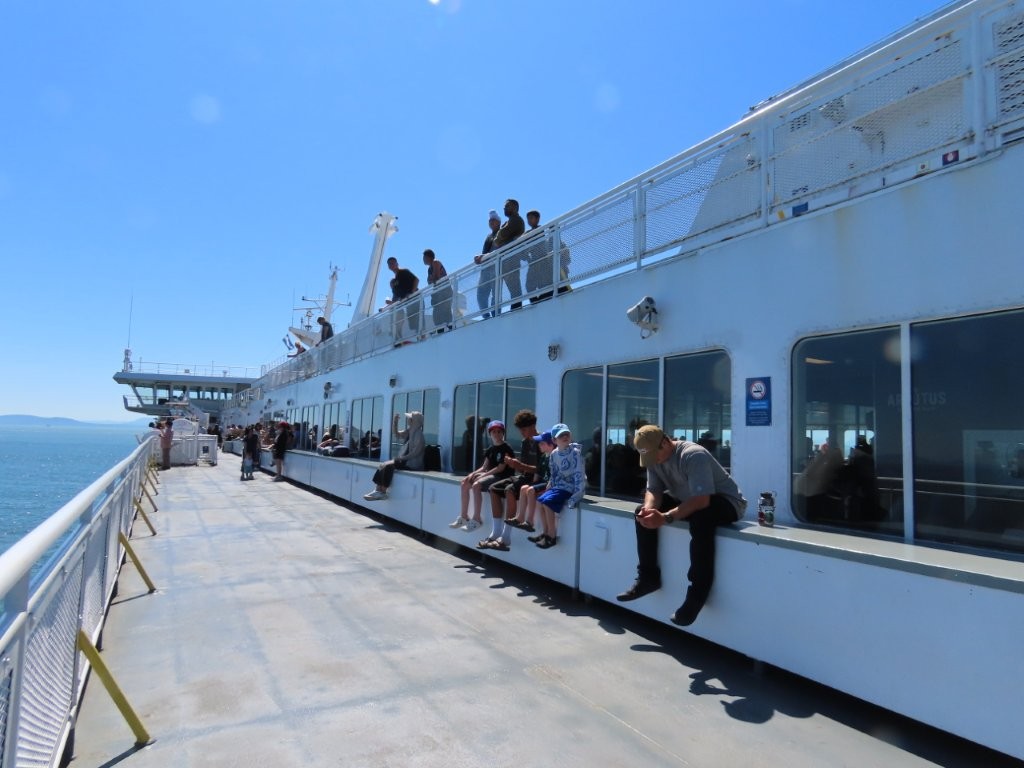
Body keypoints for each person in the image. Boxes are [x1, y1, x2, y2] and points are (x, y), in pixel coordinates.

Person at [617, 425, 747, 627]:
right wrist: (650, 510)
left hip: (726, 502)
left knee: (702, 518)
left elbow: (702, 500)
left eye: (655, 455)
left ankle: (698, 593)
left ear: (665, 442)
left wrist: (666, 517)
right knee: (640, 512)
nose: (655, 461)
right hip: (689, 498)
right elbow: (654, 490)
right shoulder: (654, 457)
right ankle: (648, 577)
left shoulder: (693, 455)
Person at [479, 410, 541, 551]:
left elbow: (540, 469)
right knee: (493, 489)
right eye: (520, 430)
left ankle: (505, 538)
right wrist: (515, 464)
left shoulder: (542, 442)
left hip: (536, 479)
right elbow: (524, 468)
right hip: (525, 476)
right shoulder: (525, 442)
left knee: (509, 491)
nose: (522, 433)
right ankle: (496, 532)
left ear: (533, 426)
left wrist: (518, 465)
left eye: (524, 430)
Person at [450, 420, 514, 532]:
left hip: (502, 477)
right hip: (492, 475)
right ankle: (464, 517)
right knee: (465, 482)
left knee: (476, 485)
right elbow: (484, 467)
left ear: (503, 433)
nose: (496, 434)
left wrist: (482, 476)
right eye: (494, 432)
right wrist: (473, 474)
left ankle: (476, 519)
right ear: (490, 434)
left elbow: (500, 468)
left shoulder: (506, 448)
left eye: (499, 432)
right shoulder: (490, 449)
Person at [529, 423, 585, 549]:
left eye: (567, 434)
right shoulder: (554, 454)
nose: (565, 437)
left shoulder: (575, 453)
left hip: (569, 488)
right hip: (558, 487)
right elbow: (553, 474)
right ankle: (545, 532)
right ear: (554, 440)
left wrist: (576, 495)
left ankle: (552, 536)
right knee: (540, 500)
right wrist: (549, 486)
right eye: (561, 435)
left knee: (547, 502)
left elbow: (579, 474)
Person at [363, 411, 426, 500]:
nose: (408, 420)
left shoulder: (418, 434)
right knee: (383, 464)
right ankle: (377, 490)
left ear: (414, 421)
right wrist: (395, 422)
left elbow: (415, 453)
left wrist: (399, 459)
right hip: (405, 461)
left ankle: (383, 492)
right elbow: (397, 434)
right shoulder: (410, 431)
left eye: (410, 419)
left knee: (389, 465)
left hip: (412, 464)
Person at [509, 431, 555, 533]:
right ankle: (520, 517)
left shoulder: (554, 457)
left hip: (549, 484)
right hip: (542, 482)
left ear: (551, 445)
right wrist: (533, 483)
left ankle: (530, 521)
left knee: (530, 490)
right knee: (523, 488)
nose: (539, 445)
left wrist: (534, 487)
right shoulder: (543, 456)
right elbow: (537, 473)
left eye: (542, 443)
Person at [493, 198, 526, 311]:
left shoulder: (516, 220)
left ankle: (516, 309)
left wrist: (500, 238)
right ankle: (513, 308)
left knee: (514, 287)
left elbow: (500, 237)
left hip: (511, 258)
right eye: (505, 206)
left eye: (508, 206)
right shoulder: (509, 221)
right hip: (506, 259)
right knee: (510, 287)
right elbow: (499, 238)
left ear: (515, 208)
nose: (505, 208)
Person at [473, 210, 502, 319]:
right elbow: (485, 252)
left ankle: (496, 316)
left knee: (496, 293)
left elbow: (500, 248)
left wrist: (484, 256)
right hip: (486, 268)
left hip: (496, 266)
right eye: (490, 220)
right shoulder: (488, 237)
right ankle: (486, 317)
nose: (491, 222)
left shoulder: (502, 233)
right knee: (481, 295)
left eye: (494, 220)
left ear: (499, 222)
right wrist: (479, 257)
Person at [523, 209, 554, 303]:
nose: (529, 220)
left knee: (545, 283)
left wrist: (552, 229)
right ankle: (535, 302)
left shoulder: (542, 229)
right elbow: (522, 246)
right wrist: (527, 258)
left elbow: (550, 242)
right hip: (533, 261)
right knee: (529, 285)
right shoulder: (527, 233)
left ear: (537, 219)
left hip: (543, 259)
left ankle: (543, 301)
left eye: (531, 218)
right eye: (528, 219)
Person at [386, 256, 420, 340]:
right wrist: (390, 302)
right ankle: (417, 338)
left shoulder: (403, 271)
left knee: (417, 320)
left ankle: (422, 337)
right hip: (408, 302)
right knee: (412, 322)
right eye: (389, 264)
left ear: (397, 264)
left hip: (415, 299)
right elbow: (397, 297)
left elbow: (416, 280)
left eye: (392, 263)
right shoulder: (395, 280)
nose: (391, 265)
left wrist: (412, 292)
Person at [422, 248, 453, 332]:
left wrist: (432, 279)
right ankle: (441, 331)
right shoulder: (429, 269)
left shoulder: (436, 262)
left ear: (428, 257)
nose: (423, 260)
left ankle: (451, 329)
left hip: (445, 290)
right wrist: (432, 279)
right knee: (437, 314)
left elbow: (436, 278)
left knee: (445, 311)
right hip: (437, 293)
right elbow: (430, 282)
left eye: (424, 257)